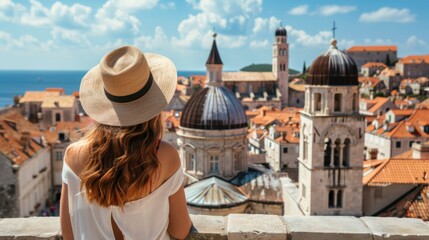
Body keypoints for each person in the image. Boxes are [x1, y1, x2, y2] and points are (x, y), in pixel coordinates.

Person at [60, 46, 192, 240]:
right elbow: (180, 231)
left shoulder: (74, 156)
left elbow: (68, 233)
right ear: (152, 107)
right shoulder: (164, 155)